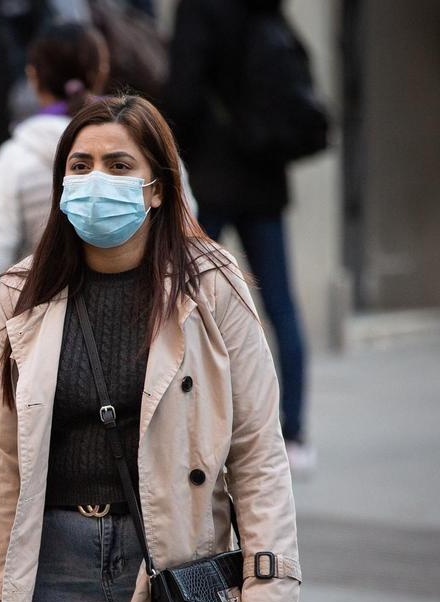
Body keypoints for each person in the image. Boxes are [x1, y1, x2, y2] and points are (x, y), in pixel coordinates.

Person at [0, 95, 301, 602]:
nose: (96, 179)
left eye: (119, 164)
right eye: (80, 164)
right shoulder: (22, 296)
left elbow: (257, 447)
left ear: (157, 187)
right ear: (60, 185)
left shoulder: (212, 287)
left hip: (181, 562)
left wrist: (270, 582)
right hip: (56, 570)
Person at [163, 0, 315, 473]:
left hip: (212, 174)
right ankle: (292, 434)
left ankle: (184, 423)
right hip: (265, 175)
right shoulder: (267, 9)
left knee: (186, 295)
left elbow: (183, 94)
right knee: (280, 303)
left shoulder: (199, 10)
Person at [0, 22, 109, 424]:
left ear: (34, 79)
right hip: (135, 340)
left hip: (44, 358)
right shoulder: (140, 147)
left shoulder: (17, 159)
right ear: (100, 70)